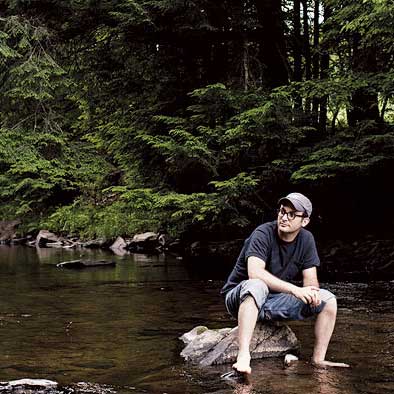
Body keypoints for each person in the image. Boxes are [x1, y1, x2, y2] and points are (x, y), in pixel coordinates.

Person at [221, 192, 349, 374]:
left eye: (292, 214)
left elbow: (311, 280)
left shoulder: (307, 239)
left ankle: (318, 359)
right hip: (240, 297)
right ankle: (243, 356)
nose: (284, 217)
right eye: (282, 211)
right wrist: (295, 290)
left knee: (328, 300)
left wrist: (312, 293)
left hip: (272, 303)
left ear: (304, 221)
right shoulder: (263, 233)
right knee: (258, 285)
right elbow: (254, 273)